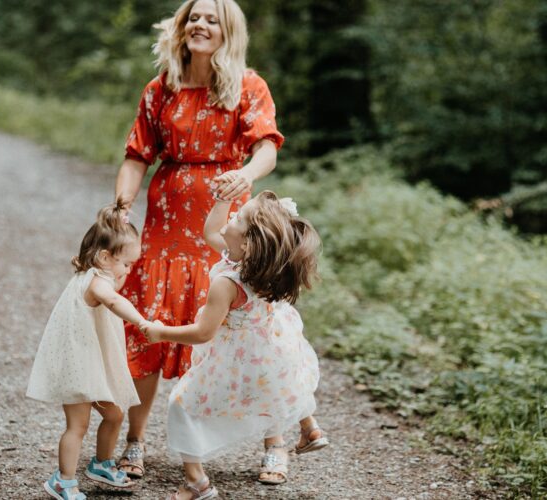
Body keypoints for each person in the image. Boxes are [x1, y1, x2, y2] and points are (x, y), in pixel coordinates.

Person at [113, 0, 289, 483]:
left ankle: (276, 444)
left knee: (249, 330)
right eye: (194, 16)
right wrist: (123, 203)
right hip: (165, 228)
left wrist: (246, 173)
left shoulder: (248, 87)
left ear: (228, 30)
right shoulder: (161, 90)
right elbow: (136, 154)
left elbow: (267, 147)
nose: (201, 24)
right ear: (181, 26)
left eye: (213, 18)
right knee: (148, 327)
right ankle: (134, 442)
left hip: (227, 225)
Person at [140, 190, 329, 499]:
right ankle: (309, 428)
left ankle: (196, 481)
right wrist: (222, 197)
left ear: (247, 244)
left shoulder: (226, 283)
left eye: (239, 217)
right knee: (278, 387)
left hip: (236, 356)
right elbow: (212, 231)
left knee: (181, 405)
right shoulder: (267, 265)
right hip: (269, 348)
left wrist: (162, 333)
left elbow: (203, 333)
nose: (232, 215)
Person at [26, 202, 147, 500]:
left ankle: (102, 463)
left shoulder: (100, 274)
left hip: (93, 364)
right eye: (126, 264)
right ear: (105, 257)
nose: (128, 272)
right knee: (77, 426)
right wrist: (143, 322)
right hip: (78, 366)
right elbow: (115, 303)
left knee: (116, 414)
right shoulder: (97, 282)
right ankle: (63, 480)